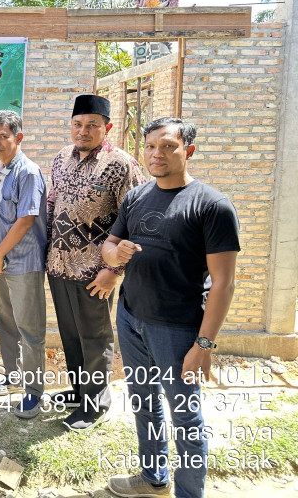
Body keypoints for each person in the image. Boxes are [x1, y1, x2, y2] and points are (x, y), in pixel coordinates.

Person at [103, 117, 240, 498]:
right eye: (149, 146)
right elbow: (109, 246)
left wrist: (204, 345)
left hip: (177, 331)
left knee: (185, 418)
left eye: (167, 146)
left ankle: (189, 493)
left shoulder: (212, 205)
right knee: (144, 404)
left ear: (188, 151)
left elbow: (225, 283)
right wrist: (117, 254)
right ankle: (153, 478)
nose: (156, 154)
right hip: (131, 318)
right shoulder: (137, 196)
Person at [46, 94, 145, 432]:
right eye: (78, 124)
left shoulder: (121, 165)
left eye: (92, 125)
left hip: (94, 271)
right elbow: (51, 204)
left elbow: (136, 219)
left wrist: (114, 270)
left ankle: (95, 404)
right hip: (59, 265)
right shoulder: (61, 158)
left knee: (94, 338)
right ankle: (78, 391)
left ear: (107, 127)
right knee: (70, 335)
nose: (83, 131)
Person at [0, 111, 48, 418]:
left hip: (23, 263)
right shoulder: (3, 170)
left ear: (18, 138)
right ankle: (13, 377)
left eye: (3, 137)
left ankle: (34, 393)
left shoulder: (28, 172)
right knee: (7, 323)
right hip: (3, 263)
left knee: (30, 329)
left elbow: (26, 219)